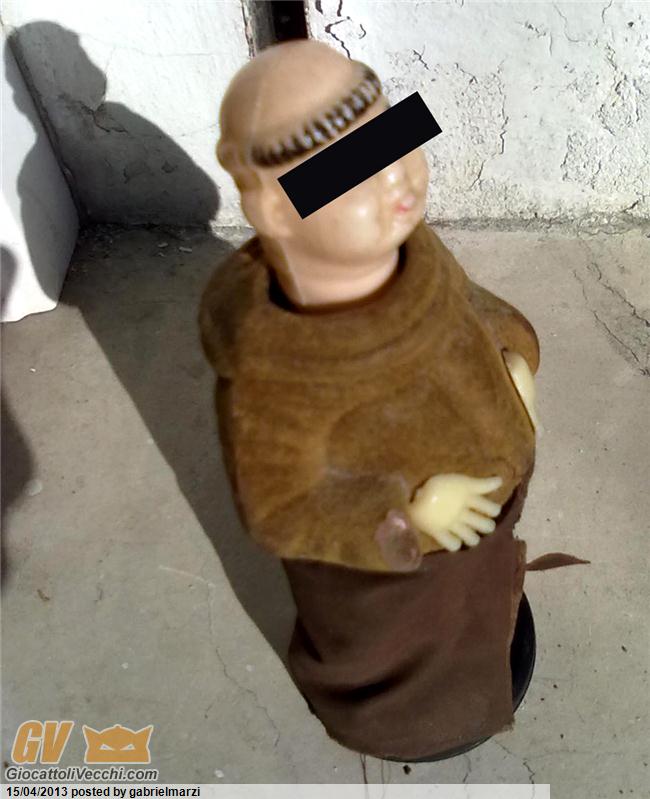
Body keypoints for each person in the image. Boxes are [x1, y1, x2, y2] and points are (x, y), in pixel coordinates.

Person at [199, 39, 585, 760]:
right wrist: (407, 514)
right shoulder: (277, 375)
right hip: (394, 583)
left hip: (480, 527)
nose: (398, 180)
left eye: (391, 143)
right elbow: (281, 508)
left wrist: (512, 361)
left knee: (479, 603)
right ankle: (422, 718)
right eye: (351, 177)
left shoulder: (413, 250)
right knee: (417, 655)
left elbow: (469, 305)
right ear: (276, 208)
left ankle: (490, 618)